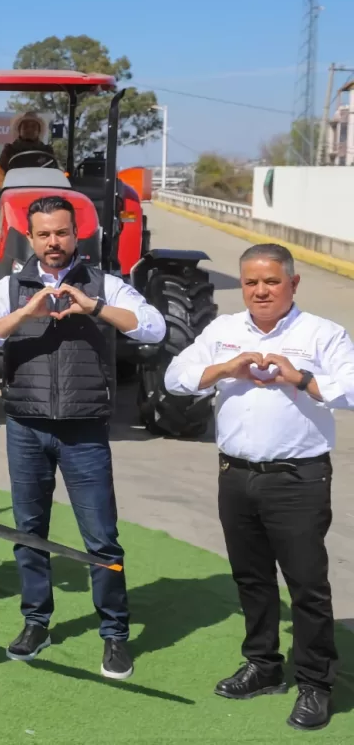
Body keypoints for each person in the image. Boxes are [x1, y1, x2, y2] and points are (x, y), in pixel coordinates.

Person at [0, 195, 166, 680]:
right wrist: (26, 313)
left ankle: (114, 633)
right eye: (44, 234)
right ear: (29, 238)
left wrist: (95, 307)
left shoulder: (105, 284)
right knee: (28, 533)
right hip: (26, 427)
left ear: (77, 234)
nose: (53, 242)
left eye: (61, 232)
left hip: (84, 431)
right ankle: (37, 623)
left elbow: (154, 328)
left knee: (102, 539)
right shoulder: (11, 287)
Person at [164, 243, 353, 732]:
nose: (260, 291)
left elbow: (352, 389)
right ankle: (263, 664)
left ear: (293, 283)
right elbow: (176, 376)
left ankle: (315, 682)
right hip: (236, 475)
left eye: (271, 281)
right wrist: (225, 369)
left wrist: (300, 378)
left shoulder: (323, 334)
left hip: (298, 478)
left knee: (307, 585)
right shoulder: (223, 331)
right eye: (251, 282)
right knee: (251, 578)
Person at [0, 111, 57, 188]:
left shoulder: (47, 150)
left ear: (39, 131)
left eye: (33, 127)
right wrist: (6, 187)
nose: (29, 129)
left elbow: (54, 173)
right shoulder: (9, 150)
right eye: (25, 127)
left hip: (42, 190)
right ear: (19, 130)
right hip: (15, 189)